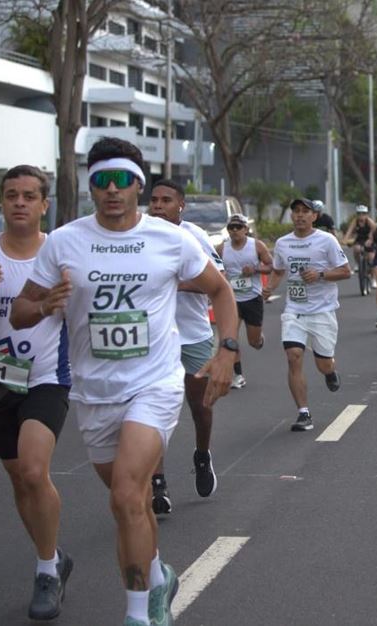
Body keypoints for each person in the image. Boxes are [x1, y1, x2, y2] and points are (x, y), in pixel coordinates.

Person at [10, 137, 239, 626]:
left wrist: (227, 350)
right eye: (100, 181)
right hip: (94, 394)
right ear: (90, 186)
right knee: (130, 504)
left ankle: (138, 615)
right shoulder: (64, 241)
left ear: (138, 184)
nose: (112, 190)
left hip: (154, 383)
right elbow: (21, 310)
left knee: (125, 493)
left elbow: (221, 291)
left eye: (121, 181)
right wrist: (45, 305)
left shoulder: (170, 240)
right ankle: (158, 577)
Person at [0, 165, 73, 621]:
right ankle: (55, 555)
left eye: (29, 195)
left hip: (47, 377)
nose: (19, 202)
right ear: (1, 203)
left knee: (33, 468)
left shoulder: (61, 253)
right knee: (19, 480)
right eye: (11, 195)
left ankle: (46, 571)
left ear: (45, 205)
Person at [147, 179, 228, 513]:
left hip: (193, 334)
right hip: (153, 338)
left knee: (200, 407)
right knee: (153, 414)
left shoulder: (192, 236)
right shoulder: (140, 235)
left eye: (166, 200)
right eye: (153, 200)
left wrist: (176, 284)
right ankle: (158, 485)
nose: (158, 206)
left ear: (181, 205)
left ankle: (202, 454)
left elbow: (219, 280)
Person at [264, 198, 351, 432]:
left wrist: (320, 274)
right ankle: (304, 413)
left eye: (305, 212)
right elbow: (279, 270)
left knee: (323, 364)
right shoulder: (283, 243)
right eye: (296, 212)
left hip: (322, 311)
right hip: (295, 309)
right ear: (291, 216)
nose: (300, 215)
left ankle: (330, 372)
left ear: (314, 216)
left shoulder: (327, 241)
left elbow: (346, 271)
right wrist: (269, 288)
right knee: (293, 356)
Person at [216, 214, 273, 387]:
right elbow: (214, 268)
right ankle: (238, 375)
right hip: (231, 300)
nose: (234, 231)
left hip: (252, 298)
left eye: (238, 227)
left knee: (253, 342)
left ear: (246, 229)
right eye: (231, 227)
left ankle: (259, 339)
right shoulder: (221, 249)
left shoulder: (256, 246)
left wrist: (255, 269)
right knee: (230, 338)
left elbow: (271, 266)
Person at [343, 205, 375, 289]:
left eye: (363, 213)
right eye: (359, 213)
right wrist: (345, 240)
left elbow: (374, 231)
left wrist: (371, 239)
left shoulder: (369, 222)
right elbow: (349, 231)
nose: (361, 216)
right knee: (356, 249)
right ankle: (358, 263)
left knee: (371, 259)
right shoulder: (355, 221)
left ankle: (374, 279)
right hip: (360, 239)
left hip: (369, 239)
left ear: (367, 214)